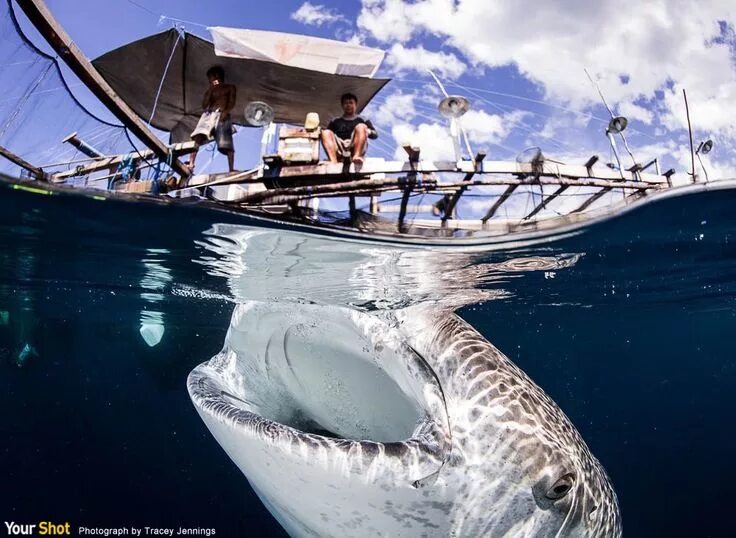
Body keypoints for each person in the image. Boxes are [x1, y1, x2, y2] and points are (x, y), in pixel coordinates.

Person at [188, 65, 237, 173]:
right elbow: (204, 105)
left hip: (222, 114)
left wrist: (225, 112)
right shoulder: (210, 90)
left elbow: (232, 102)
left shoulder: (230, 87)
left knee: (227, 143)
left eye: (210, 77)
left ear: (216, 76)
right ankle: (191, 163)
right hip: (209, 114)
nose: (209, 80)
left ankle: (231, 168)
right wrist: (210, 90)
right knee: (198, 137)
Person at [321, 92, 378, 165]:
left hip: (355, 146)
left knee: (361, 126)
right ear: (342, 106)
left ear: (355, 105)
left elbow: (375, 135)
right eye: (345, 103)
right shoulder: (335, 121)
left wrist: (367, 131)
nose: (348, 105)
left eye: (351, 103)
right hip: (339, 148)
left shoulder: (362, 119)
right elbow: (328, 136)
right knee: (325, 132)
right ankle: (333, 161)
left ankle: (356, 156)